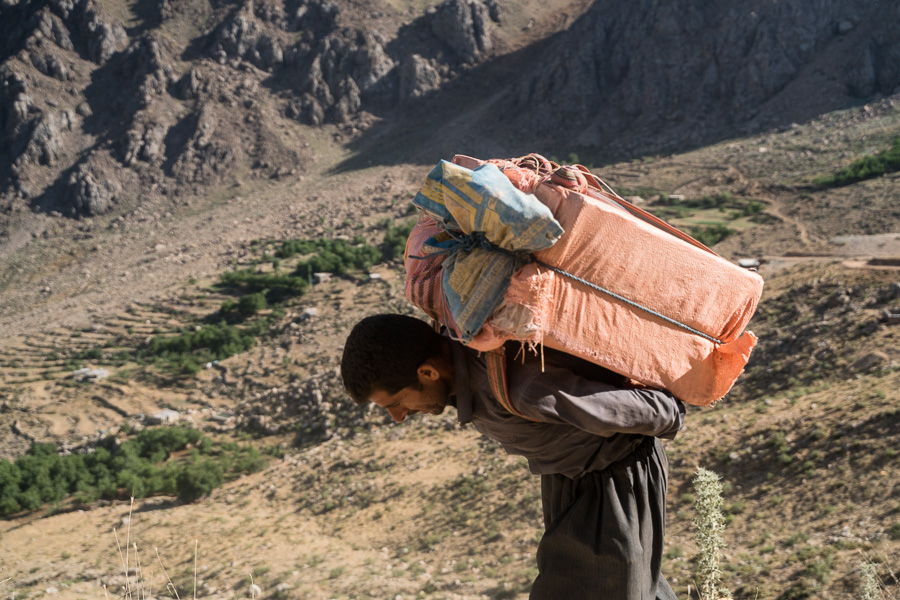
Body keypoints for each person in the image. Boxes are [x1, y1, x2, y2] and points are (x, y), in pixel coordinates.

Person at [340, 313, 685, 600]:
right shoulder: (464, 358)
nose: (398, 417)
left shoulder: (521, 389)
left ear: (427, 372)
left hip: (614, 482)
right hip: (566, 480)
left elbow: (657, 412)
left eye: (396, 403)